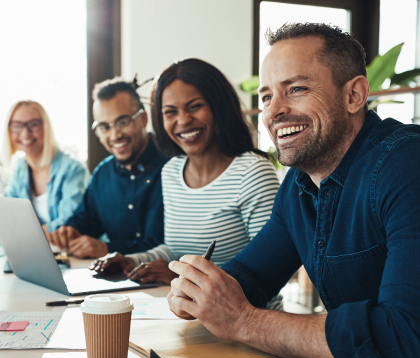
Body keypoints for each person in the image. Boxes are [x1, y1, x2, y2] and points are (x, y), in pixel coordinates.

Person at [167, 23, 420, 358]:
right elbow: (252, 276)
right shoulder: (299, 184)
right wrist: (200, 290)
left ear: (354, 95)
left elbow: (407, 338)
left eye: (297, 89)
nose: (274, 112)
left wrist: (244, 321)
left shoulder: (405, 165)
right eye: (267, 96)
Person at [90, 59, 280, 284]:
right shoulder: (171, 171)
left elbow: (269, 269)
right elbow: (174, 251)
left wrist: (181, 276)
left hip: (242, 317)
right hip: (182, 312)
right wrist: (131, 261)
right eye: (170, 112)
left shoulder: (253, 173)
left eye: (195, 106)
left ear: (217, 107)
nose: (183, 120)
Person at [46, 77, 168, 258]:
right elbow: (86, 219)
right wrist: (71, 231)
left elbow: (171, 246)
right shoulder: (103, 174)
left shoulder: (173, 166)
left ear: (143, 118)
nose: (115, 135)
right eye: (104, 127)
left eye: (123, 122)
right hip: (117, 281)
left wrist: (109, 249)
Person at [2, 100, 89, 233]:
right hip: (35, 248)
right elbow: (8, 214)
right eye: (17, 125)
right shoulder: (19, 169)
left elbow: (70, 222)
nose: (25, 133)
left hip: (70, 250)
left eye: (33, 124)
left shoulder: (72, 169)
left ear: (46, 126)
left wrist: (31, 234)